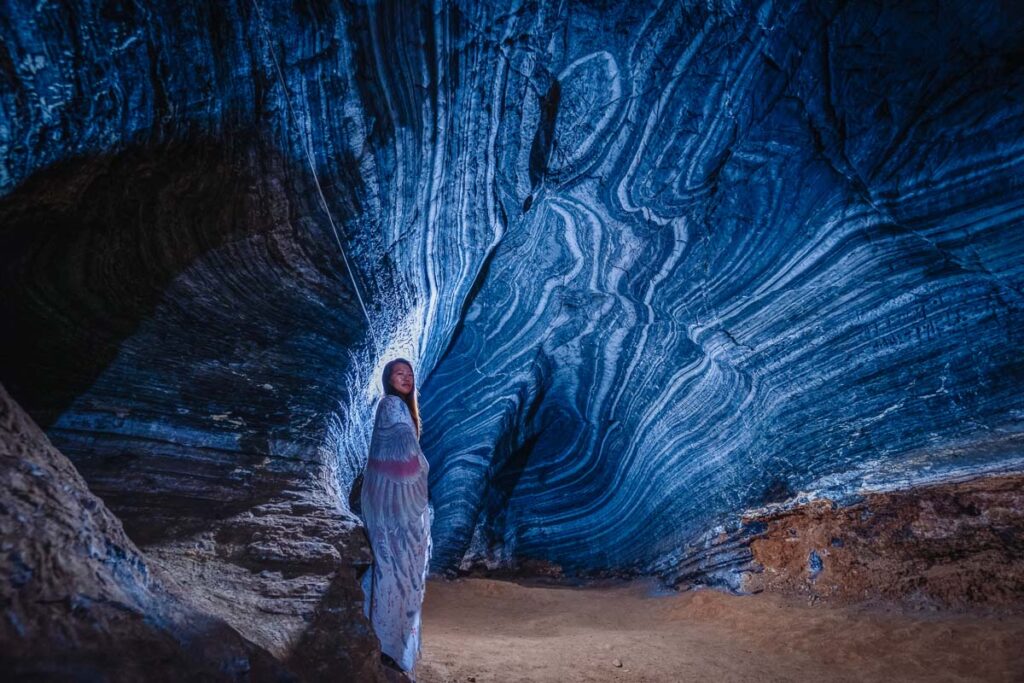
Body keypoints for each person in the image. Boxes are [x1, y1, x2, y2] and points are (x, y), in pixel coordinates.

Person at [360, 358, 432, 675]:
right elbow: (400, 454)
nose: (405, 378)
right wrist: (423, 465)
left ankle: (391, 645)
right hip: (391, 507)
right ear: (388, 380)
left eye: (409, 374)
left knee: (401, 574)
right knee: (394, 572)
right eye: (398, 374)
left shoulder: (406, 411)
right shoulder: (390, 405)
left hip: (401, 506)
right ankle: (386, 647)